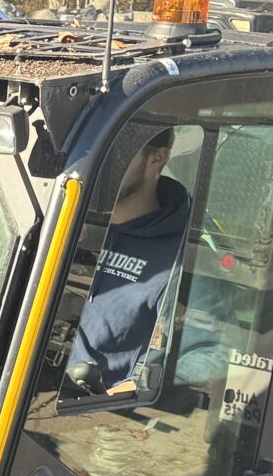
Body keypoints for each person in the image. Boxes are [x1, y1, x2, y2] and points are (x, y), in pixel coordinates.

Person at [67, 128, 192, 394]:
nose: (101, 165)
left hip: (96, 405)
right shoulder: (63, 219)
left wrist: (128, 387)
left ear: (158, 158)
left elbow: (193, 353)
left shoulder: (175, 253)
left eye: (117, 154)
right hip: (27, 383)